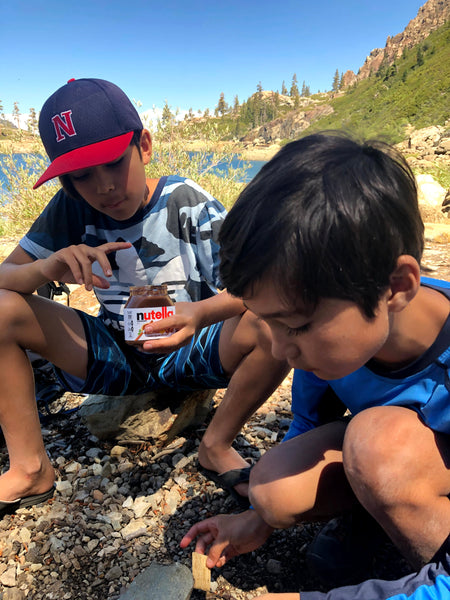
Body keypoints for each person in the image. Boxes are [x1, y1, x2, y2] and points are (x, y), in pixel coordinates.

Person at [0, 77, 288, 515]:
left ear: (144, 146)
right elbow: (5, 278)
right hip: (115, 354)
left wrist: (200, 313)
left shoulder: (186, 201)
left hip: (191, 349)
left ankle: (216, 443)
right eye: (80, 176)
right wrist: (48, 267)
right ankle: (30, 468)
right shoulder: (71, 209)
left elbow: (266, 286)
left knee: (272, 319)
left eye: (114, 164)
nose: (103, 187)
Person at [180, 132, 450, 598]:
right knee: (271, 489)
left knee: (377, 452)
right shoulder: (327, 346)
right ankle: (377, 516)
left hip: (405, 456)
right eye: (269, 322)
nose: (281, 350)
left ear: (396, 287)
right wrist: (256, 519)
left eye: (297, 326)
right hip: (413, 454)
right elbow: (308, 422)